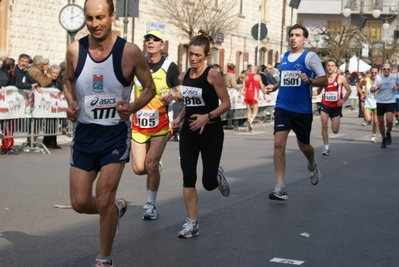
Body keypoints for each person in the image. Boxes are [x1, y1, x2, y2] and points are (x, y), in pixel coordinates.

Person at [62, 0, 155, 266]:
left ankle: (104, 259)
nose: (95, 24)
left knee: (103, 199)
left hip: (114, 134)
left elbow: (149, 88)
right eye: (90, 18)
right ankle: (114, 210)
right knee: (79, 202)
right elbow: (67, 80)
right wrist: (71, 102)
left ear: (112, 16)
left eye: (100, 17)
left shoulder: (130, 52)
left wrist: (133, 107)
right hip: (84, 134)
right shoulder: (74, 51)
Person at [171, 30, 231, 238]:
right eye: (191, 54)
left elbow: (226, 104)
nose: (194, 59)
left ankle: (217, 175)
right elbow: (190, 101)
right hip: (189, 131)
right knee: (188, 176)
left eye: (198, 55)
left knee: (207, 182)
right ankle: (192, 223)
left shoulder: (212, 75)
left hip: (211, 131)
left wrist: (207, 116)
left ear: (206, 56)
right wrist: (179, 118)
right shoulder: (184, 75)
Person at [266, 24, 328, 200]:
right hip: (283, 107)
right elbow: (287, 79)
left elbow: (324, 80)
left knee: (304, 146)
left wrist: (310, 81)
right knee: (278, 143)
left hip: (302, 110)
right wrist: (275, 86)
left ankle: (311, 163)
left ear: (305, 39)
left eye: (298, 35)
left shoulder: (310, 57)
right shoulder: (284, 56)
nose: (293, 38)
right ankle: (280, 187)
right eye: (291, 35)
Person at [131, 30, 181, 220]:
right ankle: (155, 166)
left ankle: (150, 205)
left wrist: (174, 94)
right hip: (139, 124)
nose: (150, 41)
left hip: (161, 124)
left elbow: (181, 89)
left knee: (150, 164)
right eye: (147, 39)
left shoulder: (170, 67)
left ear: (162, 44)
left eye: (155, 39)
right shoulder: (137, 65)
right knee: (139, 168)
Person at [312, 59, 351, 155]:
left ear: (335, 67)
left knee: (335, 130)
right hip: (325, 105)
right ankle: (326, 147)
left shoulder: (340, 78)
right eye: (328, 65)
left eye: (332, 65)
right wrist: (307, 93)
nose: (330, 67)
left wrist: (343, 100)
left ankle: (328, 143)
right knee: (324, 125)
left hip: (336, 107)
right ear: (326, 67)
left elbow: (349, 90)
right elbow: (317, 91)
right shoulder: (323, 79)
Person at [370, 63, 399, 148]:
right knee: (381, 122)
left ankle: (388, 132)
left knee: (389, 120)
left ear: (390, 69)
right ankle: (384, 138)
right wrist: (376, 88)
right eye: (384, 69)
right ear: (382, 70)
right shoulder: (378, 77)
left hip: (390, 101)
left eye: (388, 69)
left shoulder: (394, 77)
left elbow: (398, 84)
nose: (386, 70)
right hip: (380, 101)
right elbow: (371, 89)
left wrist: (397, 88)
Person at [238, 65, 266, 132]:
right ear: (256, 70)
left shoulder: (246, 76)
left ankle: (250, 128)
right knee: (255, 111)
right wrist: (264, 93)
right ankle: (251, 120)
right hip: (254, 94)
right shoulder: (257, 76)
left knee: (248, 111)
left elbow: (243, 87)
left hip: (247, 94)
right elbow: (261, 85)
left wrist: (240, 95)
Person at [42, 64, 62, 149]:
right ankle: (46, 141)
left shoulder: (59, 80)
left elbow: (61, 87)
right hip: (46, 105)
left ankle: (53, 142)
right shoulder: (46, 79)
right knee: (48, 123)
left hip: (56, 106)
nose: (55, 75)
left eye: (57, 73)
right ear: (50, 72)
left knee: (54, 123)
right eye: (54, 73)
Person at [357, 67, 379, 142]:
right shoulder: (366, 80)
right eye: (372, 72)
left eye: (375, 73)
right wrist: (361, 94)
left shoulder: (380, 81)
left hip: (377, 103)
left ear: (378, 73)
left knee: (376, 121)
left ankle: (373, 135)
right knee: (368, 119)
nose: (373, 74)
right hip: (368, 102)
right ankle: (369, 119)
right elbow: (358, 85)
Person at [0, 58, 16, 154]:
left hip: (5, 106)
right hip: (3, 106)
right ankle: (6, 145)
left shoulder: (6, 74)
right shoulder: (3, 77)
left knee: (6, 126)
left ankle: (6, 145)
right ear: (11, 67)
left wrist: (13, 76)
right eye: (13, 67)